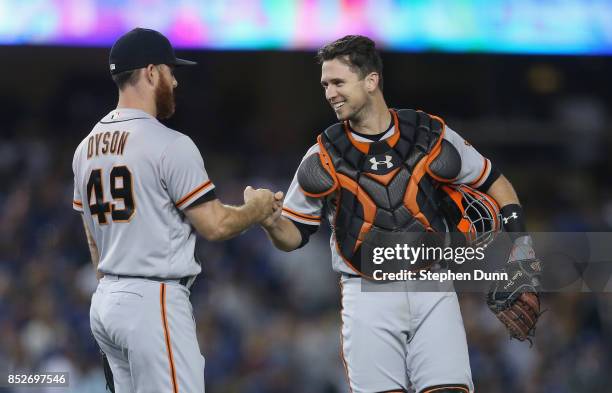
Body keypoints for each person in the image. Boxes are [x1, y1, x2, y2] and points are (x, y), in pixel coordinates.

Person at [253, 35, 538, 393]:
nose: (329, 93)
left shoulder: (429, 134)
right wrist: (269, 222)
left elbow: (495, 182)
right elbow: (293, 236)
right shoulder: (323, 154)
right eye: (325, 84)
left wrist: (522, 256)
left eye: (338, 82)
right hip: (366, 292)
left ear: (371, 80)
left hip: (432, 284)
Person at [72, 28, 282, 393]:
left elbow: (92, 238)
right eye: (170, 70)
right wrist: (258, 209)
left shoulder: (85, 147)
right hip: (152, 301)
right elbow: (214, 225)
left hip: (106, 300)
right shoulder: (169, 144)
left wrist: (117, 297)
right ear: (151, 73)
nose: (176, 79)